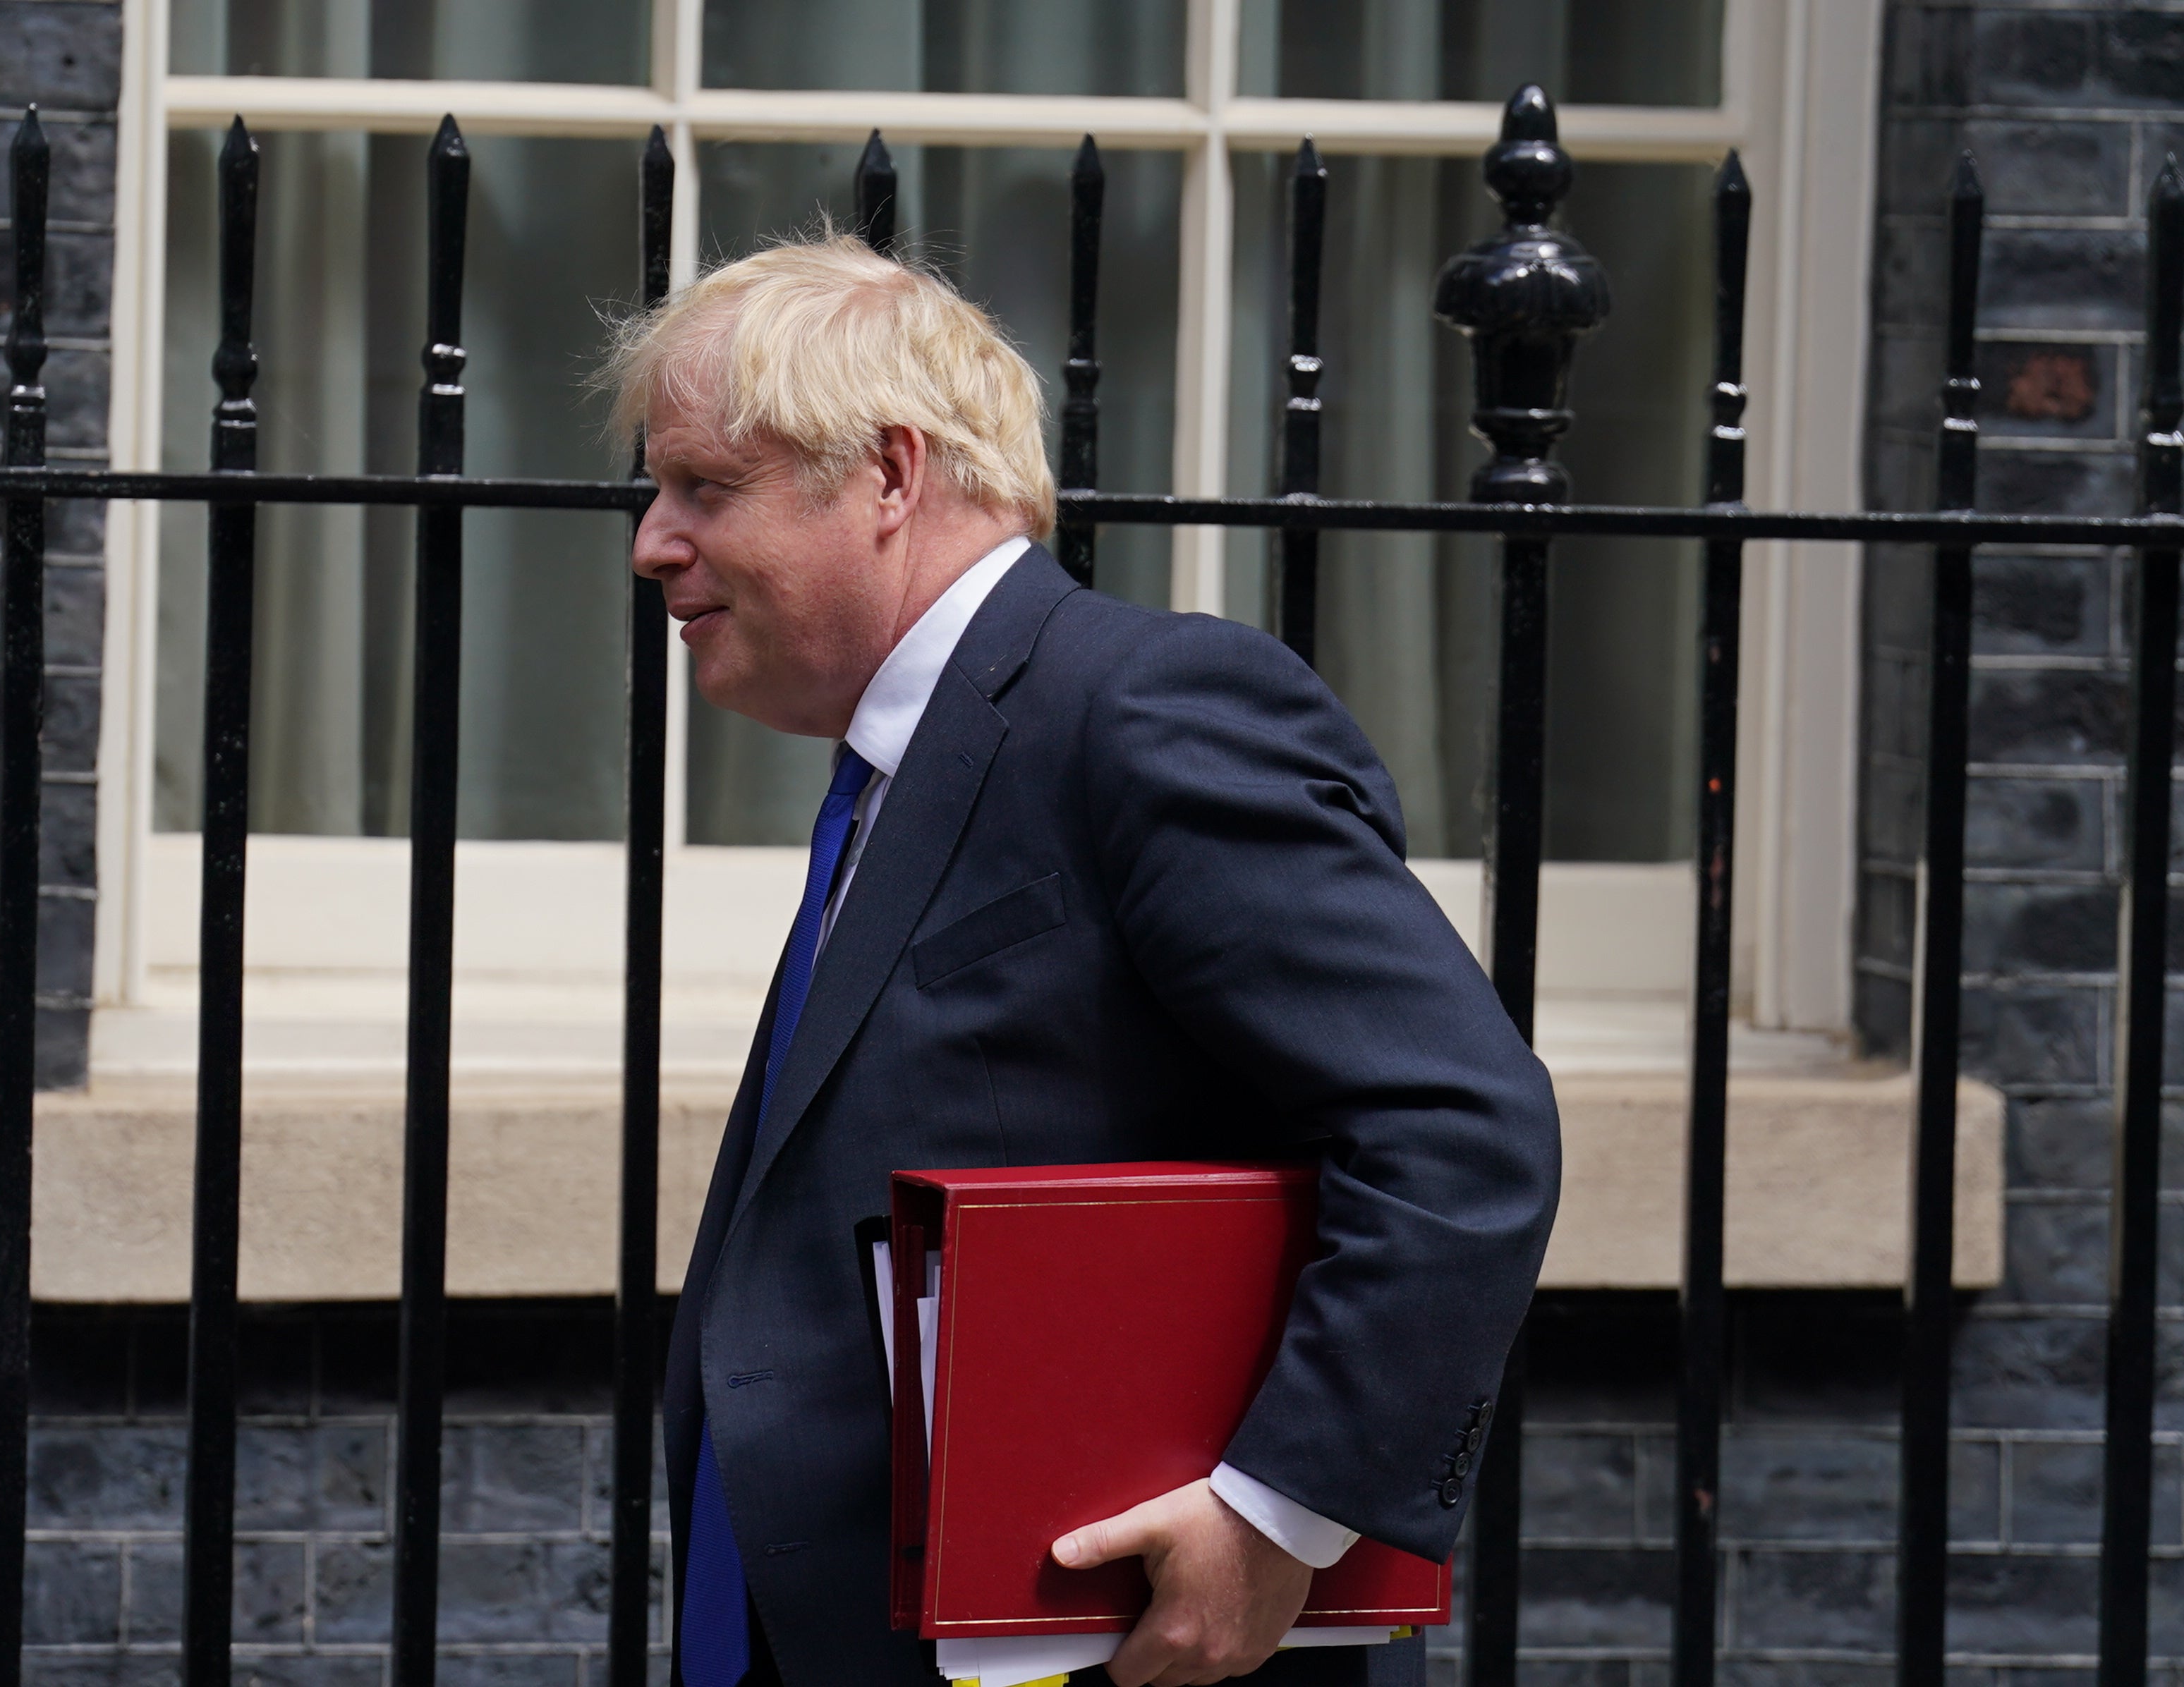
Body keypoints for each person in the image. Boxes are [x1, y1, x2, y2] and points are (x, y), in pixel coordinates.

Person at [609, 236, 1560, 1687]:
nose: (651, 540)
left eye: (703, 485)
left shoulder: (1145, 707)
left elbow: (1459, 1126)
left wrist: (1274, 1516)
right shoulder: (897, 759)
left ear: (885, 474)